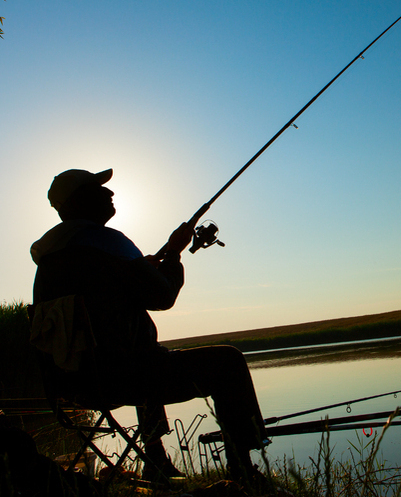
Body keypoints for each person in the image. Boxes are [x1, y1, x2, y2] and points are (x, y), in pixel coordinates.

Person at [30, 168, 269, 489]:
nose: (109, 193)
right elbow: (162, 295)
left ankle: (156, 460)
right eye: (99, 189)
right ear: (77, 201)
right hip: (123, 378)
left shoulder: (49, 259)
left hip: (72, 384)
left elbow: (100, 300)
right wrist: (173, 251)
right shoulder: (106, 241)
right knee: (228, 361)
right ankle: (242, 470)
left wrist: (141, 267)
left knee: (143, 353)